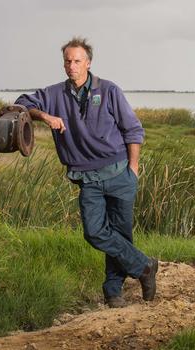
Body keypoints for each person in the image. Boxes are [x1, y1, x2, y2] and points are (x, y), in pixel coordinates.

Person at [15, 37, 158, 308]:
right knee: (95, 232)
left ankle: (113, 292)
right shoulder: (54, 94)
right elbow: (21, 103)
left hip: (120, 175)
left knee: (120, 235)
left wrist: (134, 168)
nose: (71, 66)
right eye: (67, 61)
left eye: (77, 61)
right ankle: (145, 267)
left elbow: (133, 130)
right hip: (88, 179)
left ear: (88, 63)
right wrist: (45, 117)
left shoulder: (109, 90)